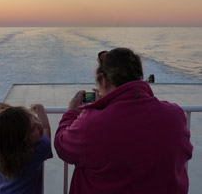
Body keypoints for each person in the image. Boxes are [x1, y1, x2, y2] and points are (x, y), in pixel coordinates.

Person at [55, 48, 193, 194]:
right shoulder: (175, 116)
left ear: (103, 80)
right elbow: (185, 153)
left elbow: (62, 146)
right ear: (139, 77)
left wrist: (71, 113)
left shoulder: (91, 124)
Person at [0, 102, 52, 194]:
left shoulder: (6, 138)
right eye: (33, 129)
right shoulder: (38, 150)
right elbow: (46, 129)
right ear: (22, 139)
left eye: (34, 118)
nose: (39, 125)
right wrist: (40, 111)